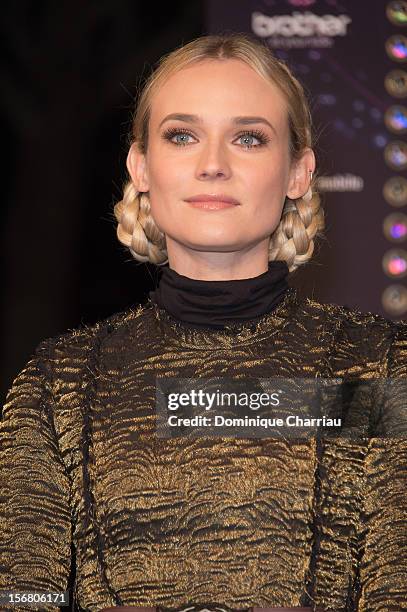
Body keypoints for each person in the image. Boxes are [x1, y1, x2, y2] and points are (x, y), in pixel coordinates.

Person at [0, 32, 406, 612]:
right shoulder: (60, 381)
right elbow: (21, 596)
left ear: (298, 172)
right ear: (142, 166)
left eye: (248, 138)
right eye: (182, 136)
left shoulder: (380, 367)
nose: (213, 165)